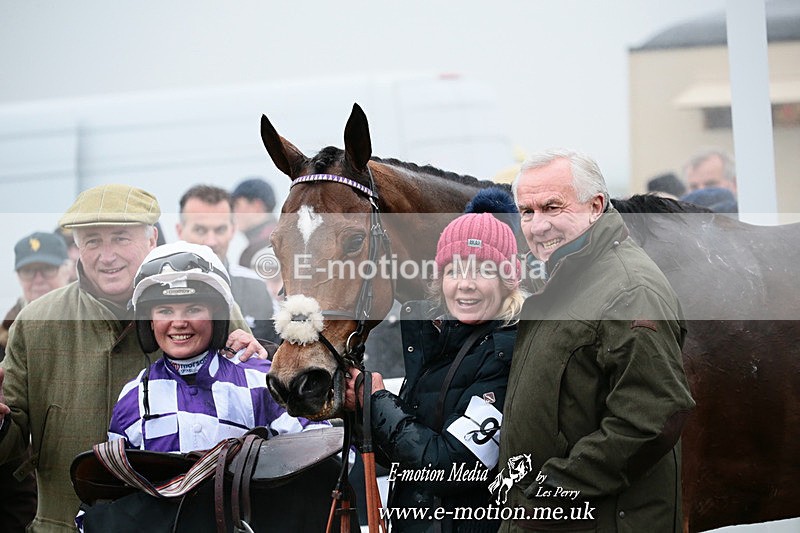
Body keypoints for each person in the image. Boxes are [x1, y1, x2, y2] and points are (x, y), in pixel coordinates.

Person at [0, 184, 267, 533]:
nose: (107, 255)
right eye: (93, 241)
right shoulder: (36, 324)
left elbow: (256, 410)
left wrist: (256, 355)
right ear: (77, 247)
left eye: (121, 238)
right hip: (62, 526)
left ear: (152, 238)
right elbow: (11, 445)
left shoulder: (213, 306)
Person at [501, 149, 695, 532]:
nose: (537, 226)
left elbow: (652, 418)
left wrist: (549, 491)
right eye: (527, 211)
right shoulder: (567, 275)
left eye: (553, 207)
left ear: (595, 206)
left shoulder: (629, 290)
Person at [345, 188, 525, 533]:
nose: (466, 285)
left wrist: (379, 402)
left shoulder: (509, 351)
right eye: (455, 271)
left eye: (483, 271)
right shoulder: (438, 341)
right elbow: (403, 457)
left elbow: (448, 468)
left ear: (507, 282)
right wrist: (359, 411)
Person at [108, 241, 327, 452]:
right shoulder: (133, 396)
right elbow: (116, 485)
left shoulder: (260, 382)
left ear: (218, 317)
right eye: (165, 311)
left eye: (193, 309)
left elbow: (328, 449)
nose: (179, 323)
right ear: (150, 323)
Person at [0, 232, 70, 533]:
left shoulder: (83, 326)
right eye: (30, 271)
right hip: (17, 489)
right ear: (18, 274)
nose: (38, 279)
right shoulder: (6, 335)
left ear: (67, 269)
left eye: (48, 269)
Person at [177, 184, 279, 344]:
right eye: (200, 230)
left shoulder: (256, 286)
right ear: (179, 231)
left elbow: (276, 350)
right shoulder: (158, 287)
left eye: (220, 230)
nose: (211, 241)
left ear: (232, 230)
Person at [231, 177, 278, 269]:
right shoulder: (285, 239)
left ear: (257, 206)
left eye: (237, 205)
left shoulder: (266, 248)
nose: (233, 212)